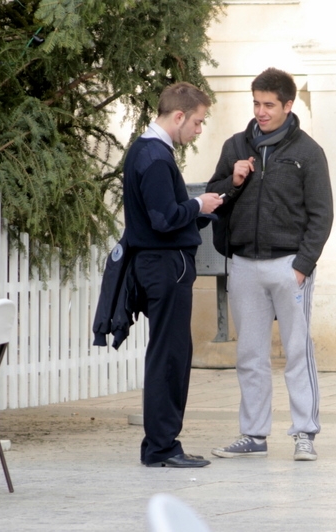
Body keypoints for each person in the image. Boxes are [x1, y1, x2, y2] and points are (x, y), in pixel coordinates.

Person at [206, 68, 334, 461]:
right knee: (250, 355)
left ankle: (304, 433)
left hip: (289, 266)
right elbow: (213, 198)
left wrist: (302, 265)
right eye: (256, 103)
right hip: (244, 263)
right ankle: (254, 435)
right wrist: (233, 181)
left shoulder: (308, 153)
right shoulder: (235, 145)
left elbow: (322, 214)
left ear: (288, 106)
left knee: (297, 352)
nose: (261, 112)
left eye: (269, 105)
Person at [123, 82, 223, 468]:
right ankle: (162, 447)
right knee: (169, 355)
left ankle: (162, 444)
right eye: (197, 122)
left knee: (171, 352)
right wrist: (198, 204)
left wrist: (200, 208)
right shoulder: (154, 156)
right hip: (165, 266)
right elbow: (163, 219)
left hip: (162, 264)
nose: (198, 130)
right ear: (178, 116)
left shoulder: (149, 151)